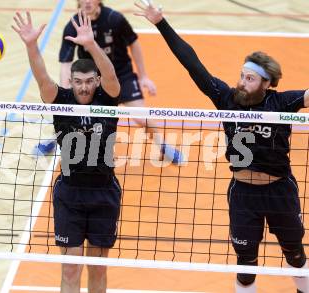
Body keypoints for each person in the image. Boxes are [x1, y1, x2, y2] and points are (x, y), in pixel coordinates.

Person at [135, 2, 309, 293]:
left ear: (266, 83)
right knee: (245, 264)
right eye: (242, 75)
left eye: (250, 78)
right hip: (243, 195)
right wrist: (161, 23)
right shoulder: (226, 98)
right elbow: (193, 64)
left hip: (280, 191)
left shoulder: (281, 102)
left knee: (295, 254)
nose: (241, 82)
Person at [12, 10, 121, 293]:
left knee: (98, 267)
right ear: (71, 82)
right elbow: (42, 78)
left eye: (88, 81)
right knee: (71, 268)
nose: (84, 87)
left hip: (103, 192)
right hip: (70, 193)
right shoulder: (60, 101)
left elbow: (110, 73)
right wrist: (31, 46)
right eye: (78, 82)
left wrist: (91, 45)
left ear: (95, 82)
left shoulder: (107, 99)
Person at [56, 0, 184, 165]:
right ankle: (54, 140)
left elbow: (134, 43)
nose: (87, 1)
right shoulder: (73, 26)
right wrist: (66, 92)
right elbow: (65, 63)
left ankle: (163, 146)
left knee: (142, 118)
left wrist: (143, 76)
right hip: (93, 81)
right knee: (81, 120)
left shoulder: (114, 19)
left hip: (122, 75)